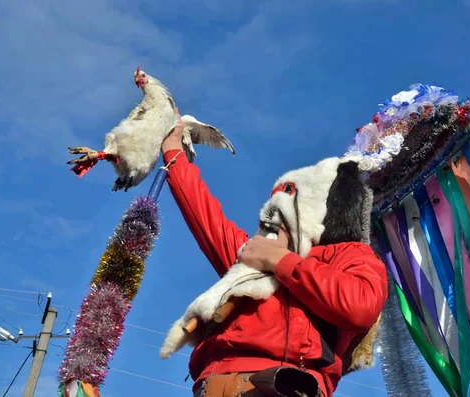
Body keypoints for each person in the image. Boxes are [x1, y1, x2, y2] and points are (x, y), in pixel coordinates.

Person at [160, 108, 388, 397]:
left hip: (287, 385)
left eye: (287, 203)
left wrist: (279, 260)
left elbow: (360, 306)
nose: (271, 217)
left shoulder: (347, 254)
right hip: (215, 384)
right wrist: (173, 151)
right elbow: (203, 213)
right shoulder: (249, 255)